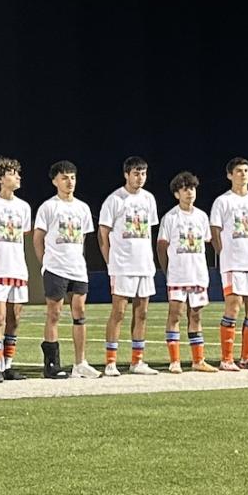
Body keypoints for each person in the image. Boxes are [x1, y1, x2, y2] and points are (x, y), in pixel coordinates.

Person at [34, 161, 99, 379]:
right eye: (64, 177)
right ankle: (51, 364)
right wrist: (45, 263)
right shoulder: (49, 207)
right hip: (55, 267)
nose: (69, 181)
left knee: (79, 313)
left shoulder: (82, 208)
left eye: (72, 177)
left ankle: (80, 362)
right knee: (54, 313)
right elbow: (38, 238)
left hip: (77, 268)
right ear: (55, 181)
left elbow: (83, 238)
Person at [97, 156, 159, 376]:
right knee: (119, 312)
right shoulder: (115, 199)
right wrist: (110, 261)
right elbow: (102, 233)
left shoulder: (149, 199)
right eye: (135, 173)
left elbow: (149, 233)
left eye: (143, 173)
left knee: (142, 313)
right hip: (122, 265)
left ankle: (137, 361)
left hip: (144, 265)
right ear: (126, 174)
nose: (139, 177)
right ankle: (111, 361)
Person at [210, 157, 248, 371]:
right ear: (229, 175)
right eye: (238, 171)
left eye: (246, 170)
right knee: (233, 307)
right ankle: (227, 359)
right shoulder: (223, 201)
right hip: (233, 262)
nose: (243, 174)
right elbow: (215, 230)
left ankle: (247, 357)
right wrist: (223, 253)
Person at [158, 172, 217, 374]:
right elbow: (161, 246)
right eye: (184, 189)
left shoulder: (201, 216)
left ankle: (198, 360)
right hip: (178, 274)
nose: (189, 192)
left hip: (198, 273)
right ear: (177, 194)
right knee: (175, 314)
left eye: (192, 188)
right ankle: (174, 361)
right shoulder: (170, 217)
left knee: (196, 316)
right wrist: (167, 270)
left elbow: (206, 243)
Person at [0, 157, 31, 383]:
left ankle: (8, 365)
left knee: (15, 320)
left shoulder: (24, 207)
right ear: (1, 178)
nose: (18, 177)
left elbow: (23, 237)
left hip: (18, 270)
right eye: (12, 173)